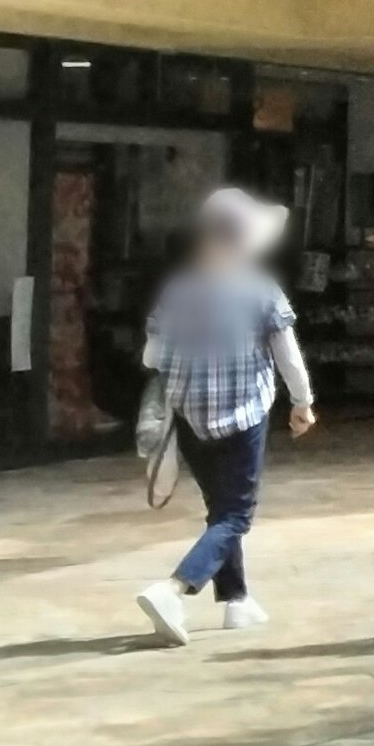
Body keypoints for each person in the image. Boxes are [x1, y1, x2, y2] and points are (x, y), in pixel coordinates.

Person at [132, 189, 316, 646]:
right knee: (236, 515)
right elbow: (286, 353)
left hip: (190, 415)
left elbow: (152, 355)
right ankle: (174, 588)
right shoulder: (258, 288)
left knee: (220, 510)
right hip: (245, 416)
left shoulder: (177, 290)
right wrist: (302, 402)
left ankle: (237, 600)